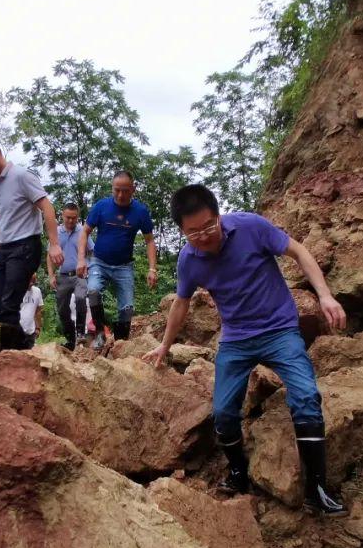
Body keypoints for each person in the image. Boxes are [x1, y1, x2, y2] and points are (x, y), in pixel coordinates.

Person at [142, 185, 349, 515]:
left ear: (219, 216)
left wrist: (324, 294)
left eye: (209, 226)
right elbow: (181, 304)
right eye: (193, 232)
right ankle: (238, 472)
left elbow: (299, 252)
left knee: (307, 397)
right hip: (236, 339)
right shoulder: (188, 260)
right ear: (182, 231)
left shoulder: (252, 227)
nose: (204, 236)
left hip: (280, 330)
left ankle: (317, 488)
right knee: (223, 412)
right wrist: (165, 346)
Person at [0, 135, 63, 350]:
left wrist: (54, 244)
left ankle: (10, 356)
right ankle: (24, 346)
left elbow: (47, 207)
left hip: (25, 247)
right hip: (5, 249)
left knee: (9, 304)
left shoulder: (21, 176)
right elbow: (1, 222)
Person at [76, 170, 156, 350]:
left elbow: (150, 241)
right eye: (116, 190)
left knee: (127, 308)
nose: (120, 195)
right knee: (93, 291)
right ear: (112, 188)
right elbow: (85, 232)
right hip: (99, 261)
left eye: (125, 190)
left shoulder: (140, 212)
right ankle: (98, 332)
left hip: (124, 266)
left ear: (133, 189)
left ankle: (120, 345)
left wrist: (152, 269)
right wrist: (81, 259)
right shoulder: (101, 206)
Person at [46, 202, 93, 350]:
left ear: (77, 217)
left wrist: (90, 267)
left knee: (80, 298)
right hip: (63, 276)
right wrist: (51, 275)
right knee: (62, 309)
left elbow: (92, 250)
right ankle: (70, 339)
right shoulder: (57, 233)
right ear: (62, 215)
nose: (71, 221)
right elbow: (49, 255)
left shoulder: (82, 232)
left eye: (74, 218)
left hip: (80, 275)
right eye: (68, 217)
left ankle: (80, 333)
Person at [19, 273, 44, 349]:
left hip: (30, 332)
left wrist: (38, 328)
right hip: (16, 331)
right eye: (29, 281)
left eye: (33, 282)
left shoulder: (37, 291)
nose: (31, 284)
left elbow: (38, 311)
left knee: (29, 356)